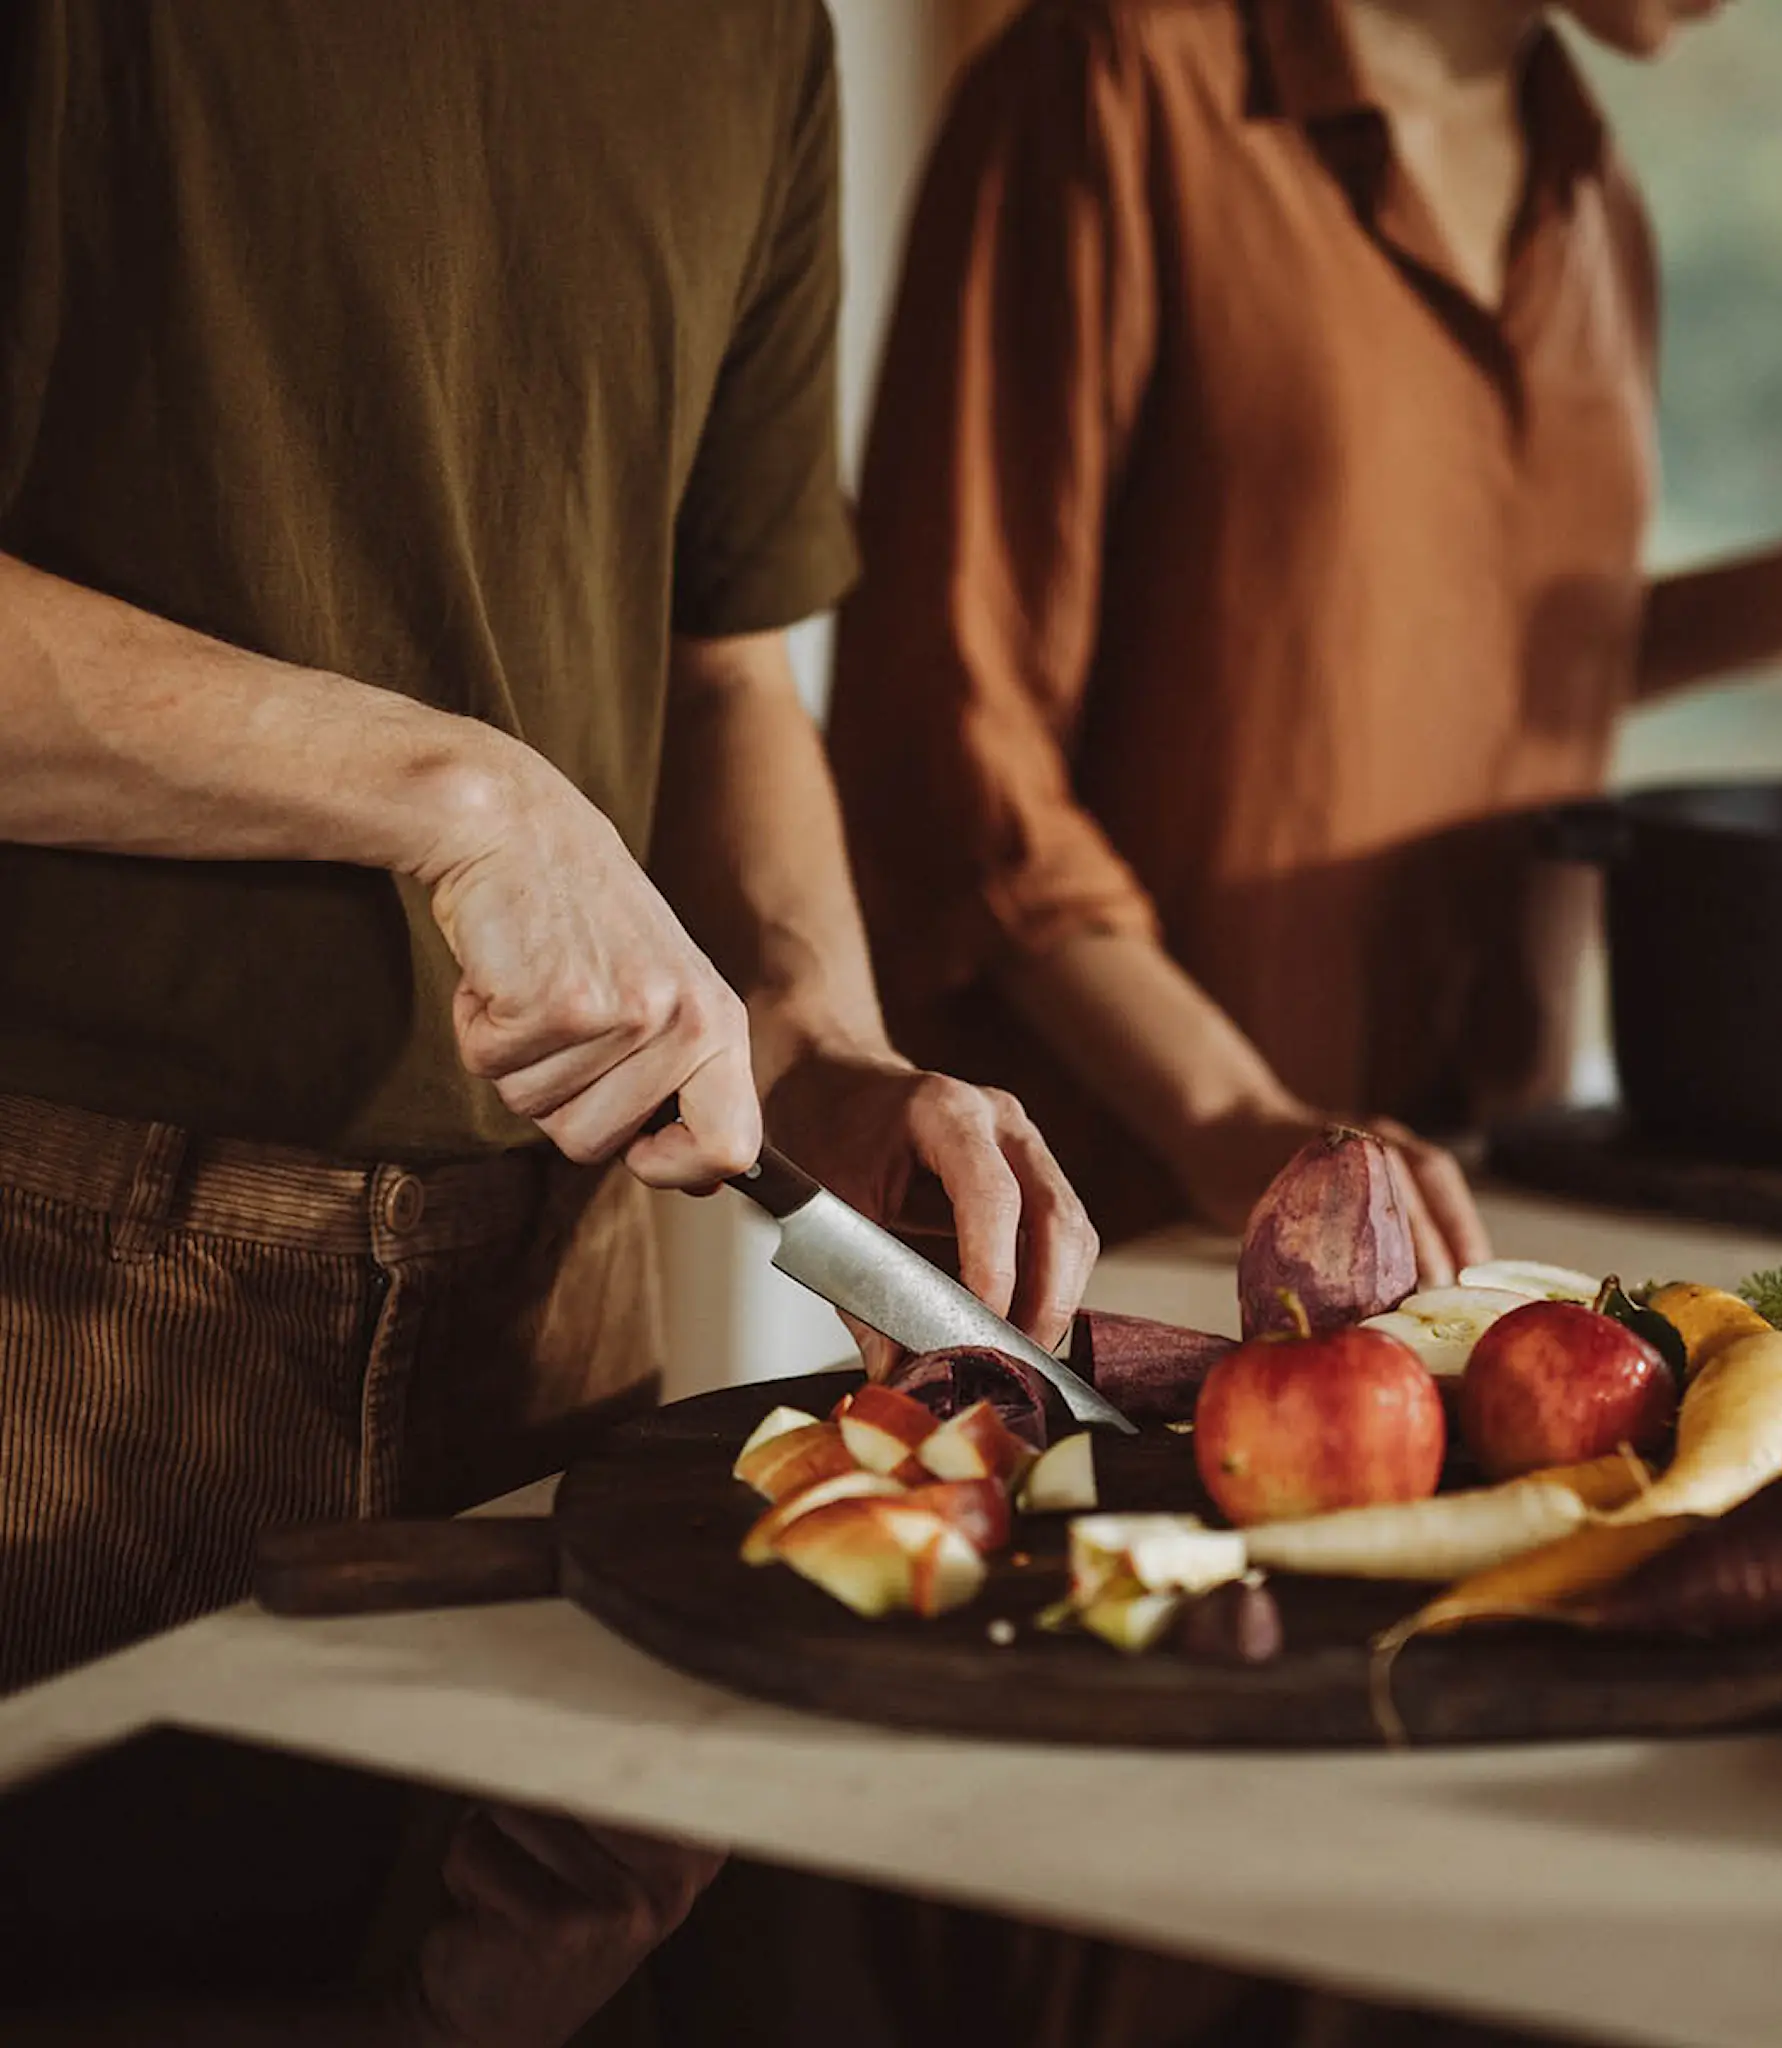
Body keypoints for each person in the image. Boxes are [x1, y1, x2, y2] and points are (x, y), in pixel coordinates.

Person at [0, 2, 1094, 2041]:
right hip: (70, 1316)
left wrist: (826, 1043)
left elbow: (730, 672)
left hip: (564, 1323)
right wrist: (457, 790)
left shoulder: (756, 36)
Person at [827, 0, 1782, 1287]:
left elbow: (1452, 654)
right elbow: (956, 732)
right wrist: (1228, 1120)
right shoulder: (1113, 87)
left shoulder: (1593, 201)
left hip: (1474, 1198)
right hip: (1125, 1225)